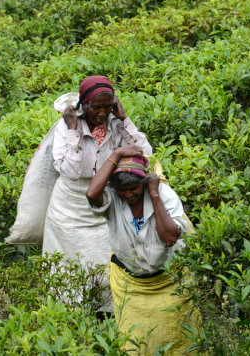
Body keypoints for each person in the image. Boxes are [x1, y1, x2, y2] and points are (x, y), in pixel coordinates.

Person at [42, 75, 153, 311]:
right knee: (68, 265)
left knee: (105, 261)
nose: (102, 114)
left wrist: (125, 120)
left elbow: (145, 155)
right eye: (96, 107)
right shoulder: (67, 126)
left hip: (105, 202)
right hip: (69, 208)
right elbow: (70, 170)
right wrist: (73, 130)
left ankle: (105, 315)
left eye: (107, 107)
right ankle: (69, 317)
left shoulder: (114, 123)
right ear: (84, 105)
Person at [86, 145, 194, 355]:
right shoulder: (113, 197)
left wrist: (154, 195)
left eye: (134, 189)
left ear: (144, 184)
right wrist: (115, 155)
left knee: (178, 341)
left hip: (169, 283)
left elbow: (170, 237)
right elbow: (91, 194)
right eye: (123, 190)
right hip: (130, 285)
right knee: (135, 344)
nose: (128, 195)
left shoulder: (164, 195)